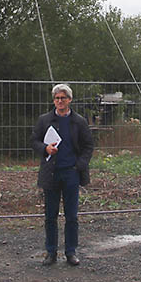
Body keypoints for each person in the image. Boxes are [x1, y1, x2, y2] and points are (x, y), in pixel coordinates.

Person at [30, 83, 94, 267]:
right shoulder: (44, 120)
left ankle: (71, 251)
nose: (60, 101)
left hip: (71, 174)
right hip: (51, 173)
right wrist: (45, 149)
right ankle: (51, 251)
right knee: (50, 215)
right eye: (57, 98)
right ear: (53, 101)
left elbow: (88, 146)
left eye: (63, 98)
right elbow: (33, 140)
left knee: (71, 216)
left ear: (70, 100)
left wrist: (79, 165)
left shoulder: (79, 121)